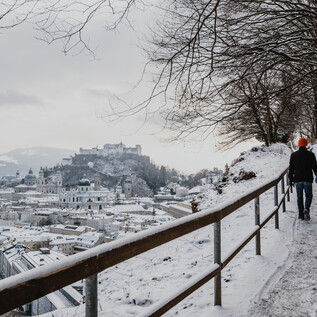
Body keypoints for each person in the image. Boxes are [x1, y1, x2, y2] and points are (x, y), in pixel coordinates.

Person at [289, 137, 317, 220]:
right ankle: (306, 208)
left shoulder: (293, 155)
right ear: (306, 144)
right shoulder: (311, 155)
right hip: (308, 179)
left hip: (298, 179)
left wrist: (291, 180)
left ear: (299, 144)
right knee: (309, 195)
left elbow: (291, 169)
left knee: (299, 197)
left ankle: (301, 215)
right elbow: (315, 167)